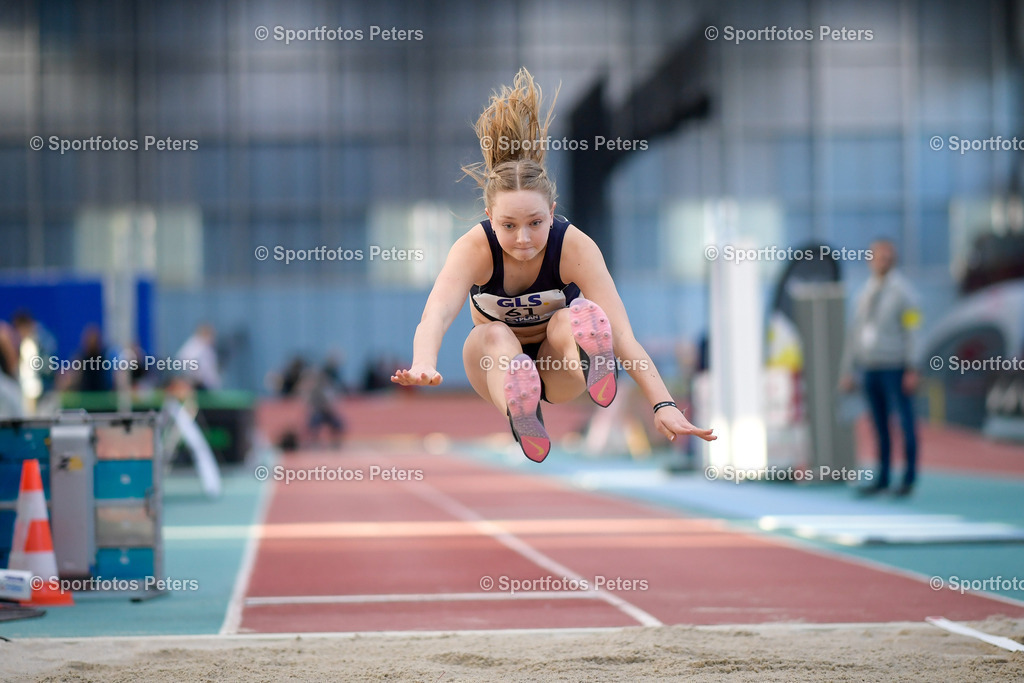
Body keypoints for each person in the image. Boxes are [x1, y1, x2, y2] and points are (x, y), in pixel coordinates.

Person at [391, 67, 715, 462]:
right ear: (489, 215)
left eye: (535, 224)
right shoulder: (474, 249)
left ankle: (589, 359)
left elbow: (624, 335)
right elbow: (436, 315)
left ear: (553, 213)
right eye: (508, 226)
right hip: (494, 364)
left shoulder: (573, 246)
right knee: (493, 337)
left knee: (576, 316)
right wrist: (424, 362)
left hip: (558, 363)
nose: (523, 239)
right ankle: (520, 401)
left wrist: (664, 405)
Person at [839, 239, 921, 496]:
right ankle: (882, 477)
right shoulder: (864, 293)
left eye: (887, 256)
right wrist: (848, 369)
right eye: (877, 255)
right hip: (869, 366)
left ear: (893, 259)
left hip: (895, 366)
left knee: (905, 424)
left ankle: (908, 478)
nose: (882, 260)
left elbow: (914, 330)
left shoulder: (905, 293)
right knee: (878, 425)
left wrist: (913, 367)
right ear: (870, 259)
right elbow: (853, 334)